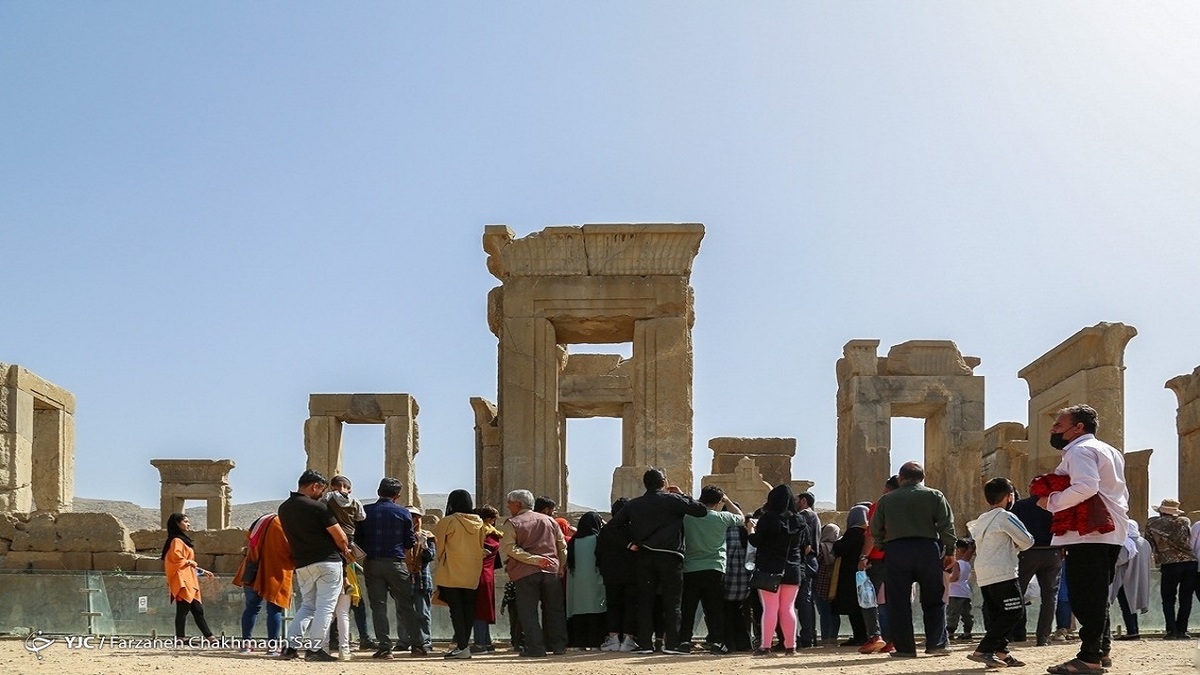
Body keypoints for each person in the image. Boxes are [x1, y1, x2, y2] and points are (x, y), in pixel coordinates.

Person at [1036, 404, 1129, 675]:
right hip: (1110, 530)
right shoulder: (1110, 450)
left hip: (1089, 531)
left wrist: (1050, 501)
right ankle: (1102, 649)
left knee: (1085, 596)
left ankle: (1089, 657)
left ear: (1078, 428)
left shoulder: (1079, 451)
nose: (1053, 429)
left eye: (1058, 425)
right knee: (1097, 594)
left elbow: (1086, 486)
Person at [607, 467, 708, 654]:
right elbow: (701, 511)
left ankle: (645, 644)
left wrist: (629, 544)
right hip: (671, 557)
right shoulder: (673, 500)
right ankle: (672, 644)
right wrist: (683, 495)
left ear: (645, 484)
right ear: (664, 482)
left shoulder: (634, 504)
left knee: (645, 601)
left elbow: (612, 528)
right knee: (672, 603)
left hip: (644, 556)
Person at [869, 460, 956, 659]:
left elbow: (874, 527)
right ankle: (937, 643)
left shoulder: (887, 499)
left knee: (898, 601)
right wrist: (950, 551)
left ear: (900, 478)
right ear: (922, 478)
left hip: (897, 550)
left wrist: (883, 546)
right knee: (934, 598)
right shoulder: (935, 495)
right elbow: (946, 525)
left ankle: (905, 648)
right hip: (927, 549)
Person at [277, 469, 352, 662]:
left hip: (302, 563)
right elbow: (340, 536)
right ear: (314, 486)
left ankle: (290, 647)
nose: (321, 495)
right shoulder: (318, 508)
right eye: (321, 490)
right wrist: (347, 551)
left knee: (307, 605)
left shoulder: (284, 508)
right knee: (326, 607)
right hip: (327, 561)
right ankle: (315, 649)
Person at [965, 477, 1034, 669]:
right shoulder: (1005, 516)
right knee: (1015, 610)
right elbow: (1028, 541)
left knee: (997, 613)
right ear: (1008, 496)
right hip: (1003, 571)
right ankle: (983, 650)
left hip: (984, 572)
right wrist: (1015, 547)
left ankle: (1001, 651)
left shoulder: (981, 520)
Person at [355, 477, 418, 659]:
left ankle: (384, 647)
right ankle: (417, 644)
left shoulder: (366, 512)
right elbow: (409, 542)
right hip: (396, 563)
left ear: (378, 492)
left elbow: (358, 542)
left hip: (372, 563)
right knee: (406, 605)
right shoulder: (403, 513)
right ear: (397, 496)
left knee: (378, 606)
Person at [501, 488, 569, 657]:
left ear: (518, 504)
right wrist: (560, 566)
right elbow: (562, 546)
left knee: (528, 611)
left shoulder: (513, 523)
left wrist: (533, 559)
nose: (508, 507)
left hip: (525, 572)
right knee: (554, 609)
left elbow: (509, 548)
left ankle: (536, 648)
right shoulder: (550, 521)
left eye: (509, 504)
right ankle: (558, 645)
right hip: (551, 570)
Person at [678, 486, 745, 654]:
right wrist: (728, 500)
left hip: (691, 568)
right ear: (718, 502)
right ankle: (716, 642)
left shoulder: (687, 518)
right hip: (715, 568)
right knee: (714, 609)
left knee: (688, 608)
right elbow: (741, 518)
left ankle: (684, 641)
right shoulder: (722, 517)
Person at [748, 483, 805, 656]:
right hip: (793, 568)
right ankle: (791, 646)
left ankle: (765, 646)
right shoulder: (799, 520)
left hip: (769, 568)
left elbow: (756, 541)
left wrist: (750, 529)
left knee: (770, 608)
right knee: (788, 608)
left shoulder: (768, 518)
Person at [432, 489, 486, 658]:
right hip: (472, 570)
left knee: (455, 609)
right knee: (469, 609)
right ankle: (464, 645)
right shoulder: (480, 523)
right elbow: (481, 546)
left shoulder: (447, 521)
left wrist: (443, 559)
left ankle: (462, 646)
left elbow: (439, 548)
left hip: (451, 570)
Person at [1011, 478, 1064, 646]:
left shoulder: (1020, 506)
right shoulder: (1057, 506)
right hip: (1052, 552)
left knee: (1017, 594)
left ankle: (1011, 632)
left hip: (1028, 553)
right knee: (1050, 597)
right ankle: (1043, 637)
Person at [321, 475, 368, 660]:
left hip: (331, 539)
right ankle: (344, 650)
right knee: (343, 613)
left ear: (332, 486)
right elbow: (362, 517)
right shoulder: (355, 501)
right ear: (349, 488)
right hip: (349, 538)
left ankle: (322, 647)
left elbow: (321, 511)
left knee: (325, 611)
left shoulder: (328, 498)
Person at [233, 512, 293, 654]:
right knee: (274, 608)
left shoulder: (261, 521)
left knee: (251, 607)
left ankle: (246, 645)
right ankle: (272, 646)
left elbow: (250, 539)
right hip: (275, 572)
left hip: (252, 569)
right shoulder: (285, 524)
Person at [857, 474, 899, 654]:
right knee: (894, 599)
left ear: (887, 488)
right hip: (899, 556)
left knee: (868, 597)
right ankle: (893, 639)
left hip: (877, 557)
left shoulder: (880, 504)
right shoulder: (908, 507)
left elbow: (872, 534)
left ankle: (875, 636)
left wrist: (863, 557)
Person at [1144, 498, 1196, 640]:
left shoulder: (1152, 523)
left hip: (1169, 564)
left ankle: (1171, 631)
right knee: (1186, 598)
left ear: (1161, 511)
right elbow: (1189, 539)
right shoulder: (1184, 521)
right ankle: (1182, 630)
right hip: (1190, 562)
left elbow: (1149, 543)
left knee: (1168, 599)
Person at [161, 513, 216, 640]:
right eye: (185, 521)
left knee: (196, 609)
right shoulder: (176, 540)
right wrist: (191, 562)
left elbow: (186, 562)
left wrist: (201, 570)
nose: (188, 524)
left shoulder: (181, 539)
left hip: (189, 579)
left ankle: (209, 637)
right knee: (185, 609)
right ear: (177, 523)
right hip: (183, 580)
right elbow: (176, 558)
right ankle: (187, 638)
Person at [596, 497, 638, 652]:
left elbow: (598, 553)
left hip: (611, 574)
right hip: (632, 574)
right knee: (630, 605)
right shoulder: (634, 529)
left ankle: (613, 638)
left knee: (613, 605)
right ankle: (628, 639)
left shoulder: (606, 531)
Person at [566, 512, 607, 648]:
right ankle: (596, 642)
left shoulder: (573, 541)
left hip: (577, 584)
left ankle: (579, 643)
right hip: (595, 581)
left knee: (579, 611)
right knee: (595, 610)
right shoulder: (598, 538)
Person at [832, 505, 871, 646]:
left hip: (850, 576)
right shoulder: (867, 533)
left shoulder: (854, 532)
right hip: (863, 573)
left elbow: (839, 549)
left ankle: (859, 636)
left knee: (854, 608)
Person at [1110, 519, 1150, 640]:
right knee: (1132, 606)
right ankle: (1134, 630)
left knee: (1126, 605)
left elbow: (1119, 560)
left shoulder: (1126, 543)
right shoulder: (1145, 542)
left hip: (1126, 579)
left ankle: (1132, 631)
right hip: (1139, 578)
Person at [721, 508, 755, 652]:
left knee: (727, 613)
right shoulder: (745, 532)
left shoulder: (727, 532)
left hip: (729, 578)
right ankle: (745, 643)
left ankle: (729, 644)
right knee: (742, 613)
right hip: (745, 580)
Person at [471, 505, 503, 653]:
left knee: (478, 610)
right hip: (488, 575)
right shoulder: (493, 534)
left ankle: (480, 643)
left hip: (478, 574)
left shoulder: (482, 533)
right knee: (484, 609)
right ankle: (487, 642)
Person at [793, 491, 822, 649]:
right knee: (807, 600)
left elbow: (805, 544)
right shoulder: (813, 516)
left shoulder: (805, 516)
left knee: (804, 600)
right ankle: (809, 635)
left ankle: (806, 637)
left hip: (805, 560)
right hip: (810, 561)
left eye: (797, 500)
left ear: (803, 501)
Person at [407, 506, 436, 654]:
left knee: (423, 613)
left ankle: (425, 641)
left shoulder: (427, 536)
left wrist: (423, 545)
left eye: (417, 517)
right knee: (404, 613)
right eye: (411, 516)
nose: (414, 520)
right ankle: (406, 641)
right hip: (404, 579)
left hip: (421, 580)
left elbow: (430, 556)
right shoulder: (400, 535)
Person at [813, 523, 841, 646]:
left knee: (824, 613)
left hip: (820, 584)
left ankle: (825, 638)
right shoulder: (839, 548)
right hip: (835, 585)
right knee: (834, 613)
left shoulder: (820, 548)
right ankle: (833, 637)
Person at [946, 538, 975, 642]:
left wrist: (945, 579)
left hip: (954, 592)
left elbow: (954, 577)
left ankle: (950, 633)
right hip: (965, 593)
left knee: (952, 614)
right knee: (966, 614)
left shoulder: (957, 563)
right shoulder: (967, 563)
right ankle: (967, 632)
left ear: (957, 550)